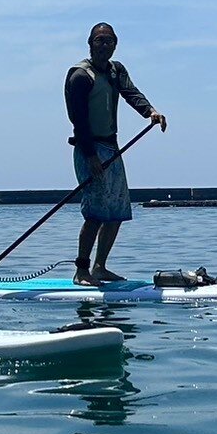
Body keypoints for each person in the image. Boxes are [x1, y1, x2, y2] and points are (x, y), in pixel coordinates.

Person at [65, 23, 167, 286]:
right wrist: (90, 156)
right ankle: (82, 270)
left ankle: (100, 267)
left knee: (117, 210)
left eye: (109, 41)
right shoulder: (80, 76)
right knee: (96, 212)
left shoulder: (115, 70)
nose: (104, 46)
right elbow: (79, 120)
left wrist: (150, 112)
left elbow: (131, 93)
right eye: (100, 41)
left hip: (112, 147)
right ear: (90, 43)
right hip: (89, 148)